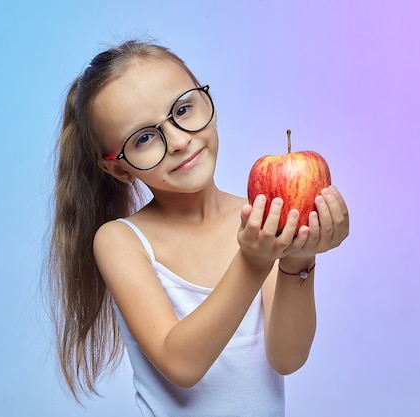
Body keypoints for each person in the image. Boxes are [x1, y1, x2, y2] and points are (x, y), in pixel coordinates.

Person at [47, 40, 349, 417]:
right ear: (119, 169)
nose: (177, 141)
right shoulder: (121, 241)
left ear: (209, 103)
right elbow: (182, 365)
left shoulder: (259, 218)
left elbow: (287, 357)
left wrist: (299, 257)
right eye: (143, 138)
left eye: (183, 109)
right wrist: (253, 262)